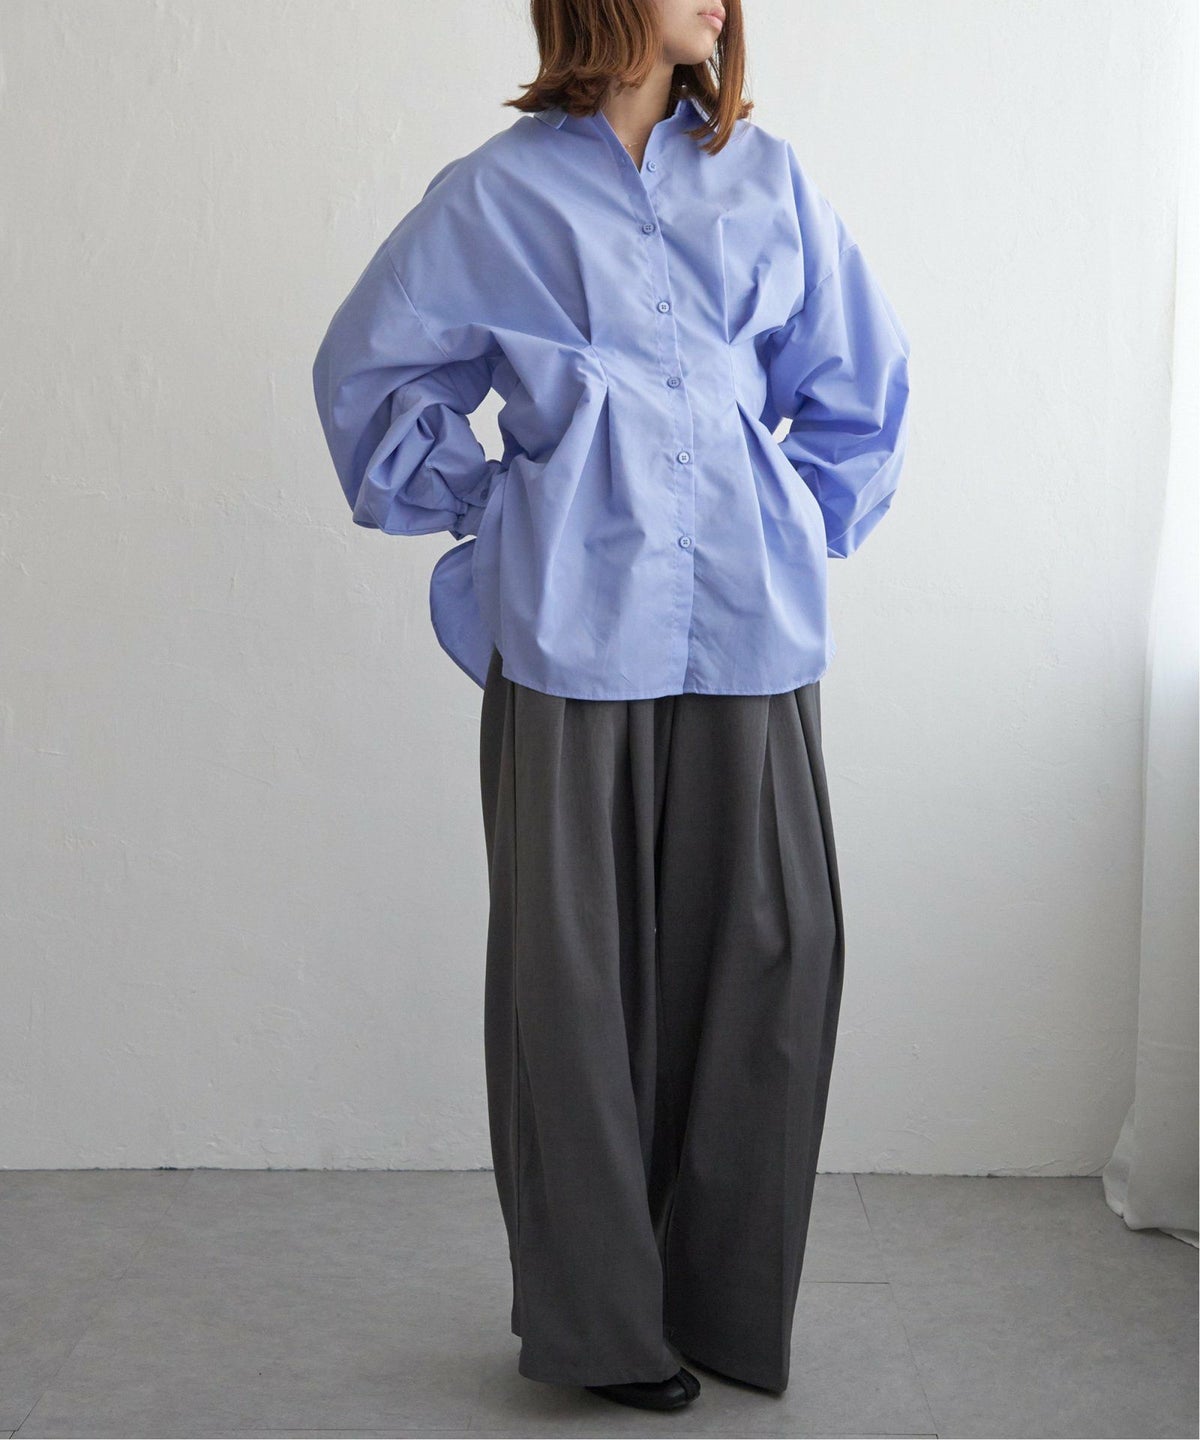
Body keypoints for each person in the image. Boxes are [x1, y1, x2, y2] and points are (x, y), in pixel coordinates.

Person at [312, 0, 910, 1415]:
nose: (722, 0)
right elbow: (368, 380)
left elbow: (859, 390)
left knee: (776, 957)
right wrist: (502, 515)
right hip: (573, 640)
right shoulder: (494, 197)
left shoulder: (771, 181)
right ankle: (604, 1330)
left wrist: (786, 521)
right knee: (572, 994)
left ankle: (723, 1305)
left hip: (750, 636)